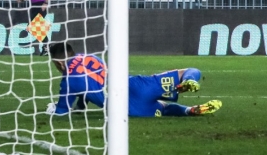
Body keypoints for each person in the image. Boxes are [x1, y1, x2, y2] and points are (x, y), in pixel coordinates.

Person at [45, 43, 222, 117]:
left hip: (128, 108)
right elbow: (88, 86)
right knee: (190, 71)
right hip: (136, 86)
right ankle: (190, 81)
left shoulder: (68, 80)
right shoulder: (91, 58)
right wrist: (81, 105)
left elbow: (62, 111)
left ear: (60, 63)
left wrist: (54, 108)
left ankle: (189, 110)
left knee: (164, 109)